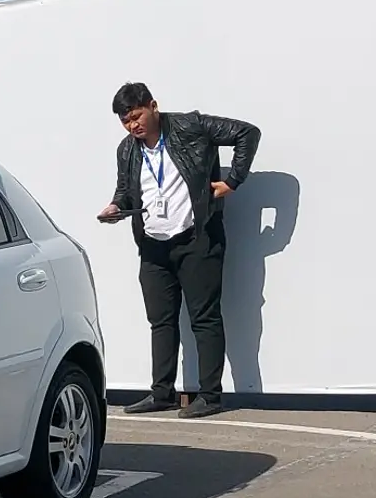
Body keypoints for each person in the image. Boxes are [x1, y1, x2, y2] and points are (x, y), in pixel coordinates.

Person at [97, 82, 260, 418]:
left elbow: (247, 133)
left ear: (153, 106)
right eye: (126, 121)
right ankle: (162, 393)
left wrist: (233, 181)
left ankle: (210, 396)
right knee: (161, 320)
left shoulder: (190, 127)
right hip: (153, 246)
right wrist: (116, 207)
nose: (133, 126)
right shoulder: (127, 150)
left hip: (196, 238)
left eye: (137, 116)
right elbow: (127, 190)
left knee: (205, 318)